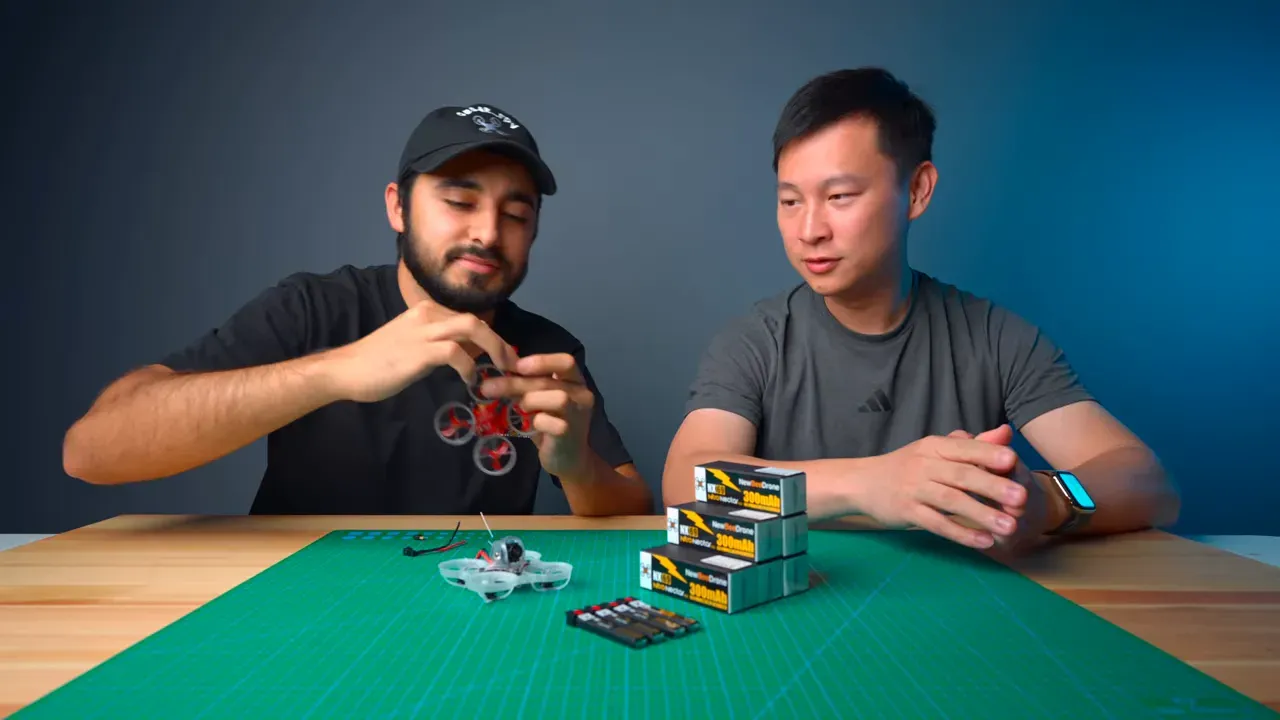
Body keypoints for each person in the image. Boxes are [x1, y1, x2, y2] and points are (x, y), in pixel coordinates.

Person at [662, 69, 1179, 554]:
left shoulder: (994, 337)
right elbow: (687, 482)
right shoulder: (756, 341)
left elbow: (1146, 481)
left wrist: (1042, 502)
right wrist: (870, 485)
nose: (809, 230)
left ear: (916, 190)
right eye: (790, 201)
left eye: (839, 195)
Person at [63, 103, 653, 517]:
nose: (487, 233)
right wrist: (332, 371)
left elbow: (633, 505)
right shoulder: (313, 309)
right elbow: (90, 451)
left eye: (516, 215)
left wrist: (575, 465)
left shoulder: (546, 351)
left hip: (469, 615)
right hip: (297, 608)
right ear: (398, 207)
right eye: (458, 201)